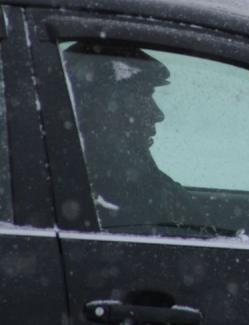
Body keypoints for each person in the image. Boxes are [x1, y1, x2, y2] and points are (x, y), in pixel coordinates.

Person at [60, 42, 194, 230]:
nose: (158, 113)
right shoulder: (114, 183)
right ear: (103, 107)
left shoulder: (126, 167)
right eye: (145, 95)